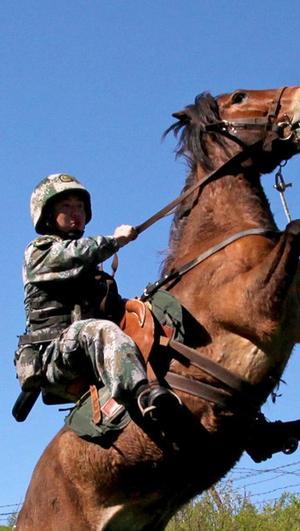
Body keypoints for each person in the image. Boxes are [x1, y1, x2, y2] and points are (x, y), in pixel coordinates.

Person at [14, 174, 178, 430]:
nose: (75, 212)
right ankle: (144, 396)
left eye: (79, 206)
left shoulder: (88, 269)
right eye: (66, 206)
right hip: (55, 357)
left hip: (87, 348)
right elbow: (75, 254)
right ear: (47, 214)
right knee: (97, 330)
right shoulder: (39, 252)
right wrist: (116, 241)